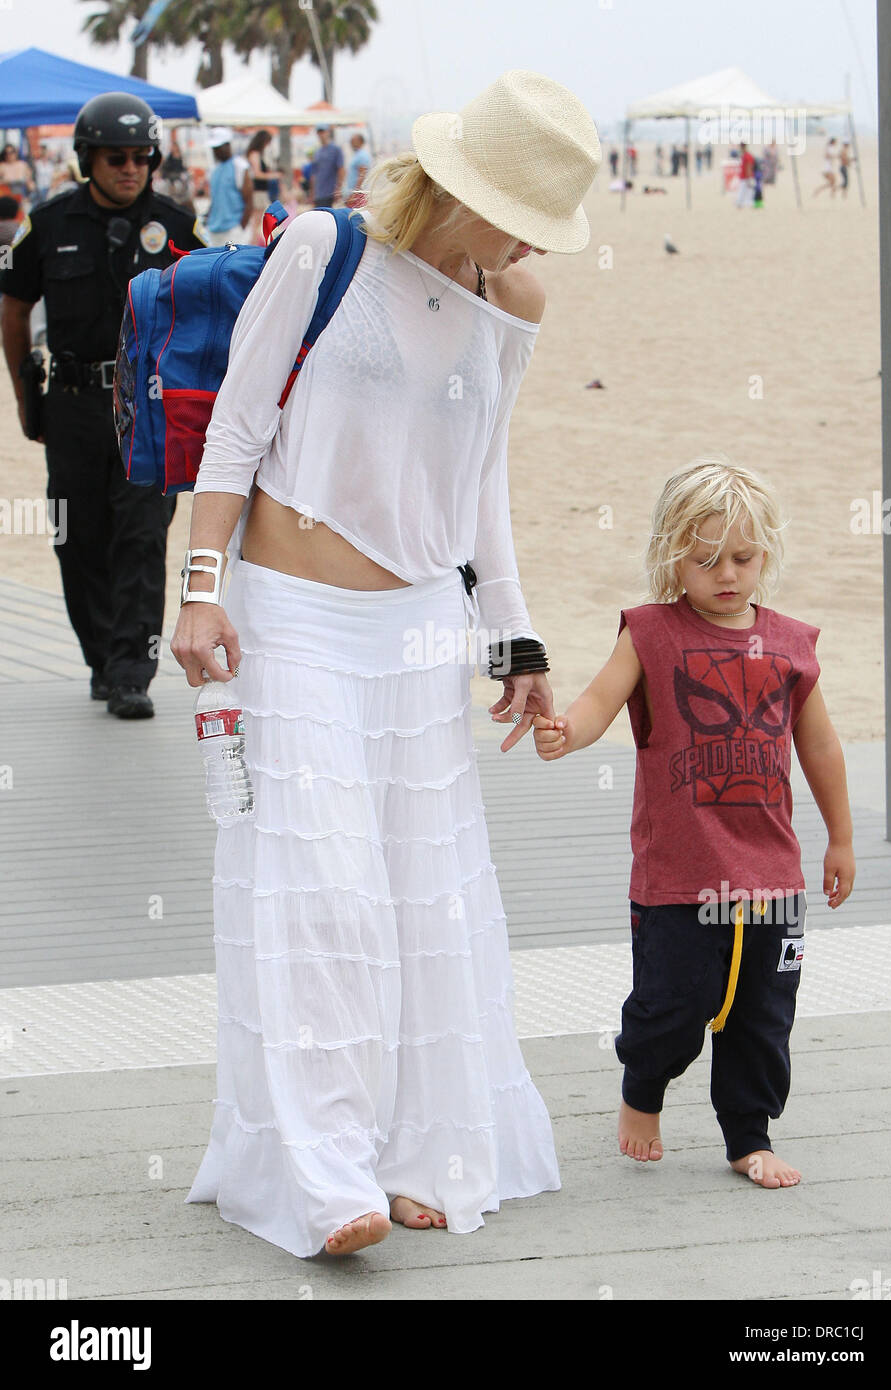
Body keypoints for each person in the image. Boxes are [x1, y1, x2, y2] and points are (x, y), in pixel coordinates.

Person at [172, 67, 602, 1259]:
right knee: (321, 890)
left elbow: (481, 486)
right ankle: (322, 1173)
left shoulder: (511, 295)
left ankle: (416, 1155)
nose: (532, 241)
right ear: (463, 179)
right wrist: (201, 593)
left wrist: (512, 642)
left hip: (419, 633)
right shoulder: (325, 248)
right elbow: (235, 432)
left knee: (424, 901)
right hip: (294, 615)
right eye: (519, 209)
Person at [531, 459, 855, 1188]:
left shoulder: (792, 644)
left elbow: (821, 745)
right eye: (705, 559)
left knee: (762, 1020)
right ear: (671, 552)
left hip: (772, 878)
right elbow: (596, 704)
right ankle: (642, 1092)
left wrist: (841, 835)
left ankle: (750, 1136)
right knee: (671, 1008)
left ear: (765, 553)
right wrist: (565, 733)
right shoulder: (649, 633)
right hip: (679, 877)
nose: (726, 574)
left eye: (741, 558)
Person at [0, 92, 208, 717]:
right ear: (88, 159)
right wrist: (23, 397)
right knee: (76, 534)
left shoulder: (175, 226)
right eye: (115, 157)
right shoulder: (48, 223)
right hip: (71, 402)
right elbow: (12, 307)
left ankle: (129, 673)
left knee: (142, 536)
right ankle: (101, 659)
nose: (130, 168)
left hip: (150, 409)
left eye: (141, 156)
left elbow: (211, 309)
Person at [206, 127, 253, 245]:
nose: (216, 152)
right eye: (214, 149)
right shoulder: (214, 170)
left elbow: (249, 200)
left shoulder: (240, 166)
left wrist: (241, 228)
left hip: (233, 229)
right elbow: (215, 198)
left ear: (227, 145)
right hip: (214, 229)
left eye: (218, 148)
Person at [309, 124, 344, 208]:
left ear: (328, 132)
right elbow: (314, 174)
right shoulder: (317, 152)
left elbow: (341, 169)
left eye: (323, 132)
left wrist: (338, 189)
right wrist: (312, 193)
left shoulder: (336, 149)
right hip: (319, 193)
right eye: (319, 132)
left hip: (330, 193)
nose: (321, 134)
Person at [246, 129, 276, 217]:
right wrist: (273, 175)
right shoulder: (255, 154)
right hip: (258, 191)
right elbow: (257, 174)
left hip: (261, 190)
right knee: (258, 219)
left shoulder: (257, 154)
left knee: (260, 218)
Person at [343, 131, 372, 203]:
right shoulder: (356, 155)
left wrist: (355, 194)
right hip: (353, 193)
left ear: (361, 142)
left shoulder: (362, 155)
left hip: (358, 195)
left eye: (353, 140)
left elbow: (362, 175)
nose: (351, 143)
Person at [735, 142, 756, 208]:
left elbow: (749, 167)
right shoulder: (744, 155)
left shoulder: (747, 156)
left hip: (746, 176)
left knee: (747, 191)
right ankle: (742, 202)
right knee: (745, 190)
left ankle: (743, 203)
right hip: (745, 176)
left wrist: (749, 177)